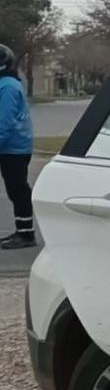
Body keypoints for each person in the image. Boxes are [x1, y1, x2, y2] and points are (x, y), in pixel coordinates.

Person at [0, 44, 34, 250]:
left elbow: (4, 122)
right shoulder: (6, 84)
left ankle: (26, 234)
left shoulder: (7, 87)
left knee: (18, 190)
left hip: (13, 148)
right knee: (16, 190)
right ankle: (22, 231)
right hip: (10, 147)